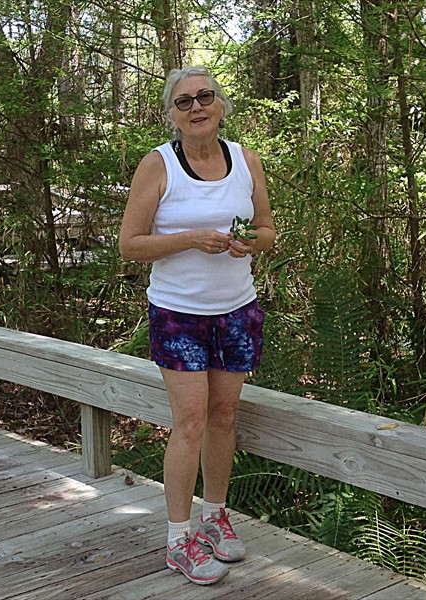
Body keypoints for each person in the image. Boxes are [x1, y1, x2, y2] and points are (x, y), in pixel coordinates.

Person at [119, 66, 275, 585]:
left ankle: (215, 516)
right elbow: (130, 244)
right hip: (179, 314)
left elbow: (268, 229)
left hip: (237, 309)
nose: (196, 107)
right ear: (172, 115)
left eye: (205, 96)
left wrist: (251, 241)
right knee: (189, 422)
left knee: (225, 416)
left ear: (221, 105)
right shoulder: (158, 165)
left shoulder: (246, 161)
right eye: (184, 102)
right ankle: (178, 539)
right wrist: (189, 238)